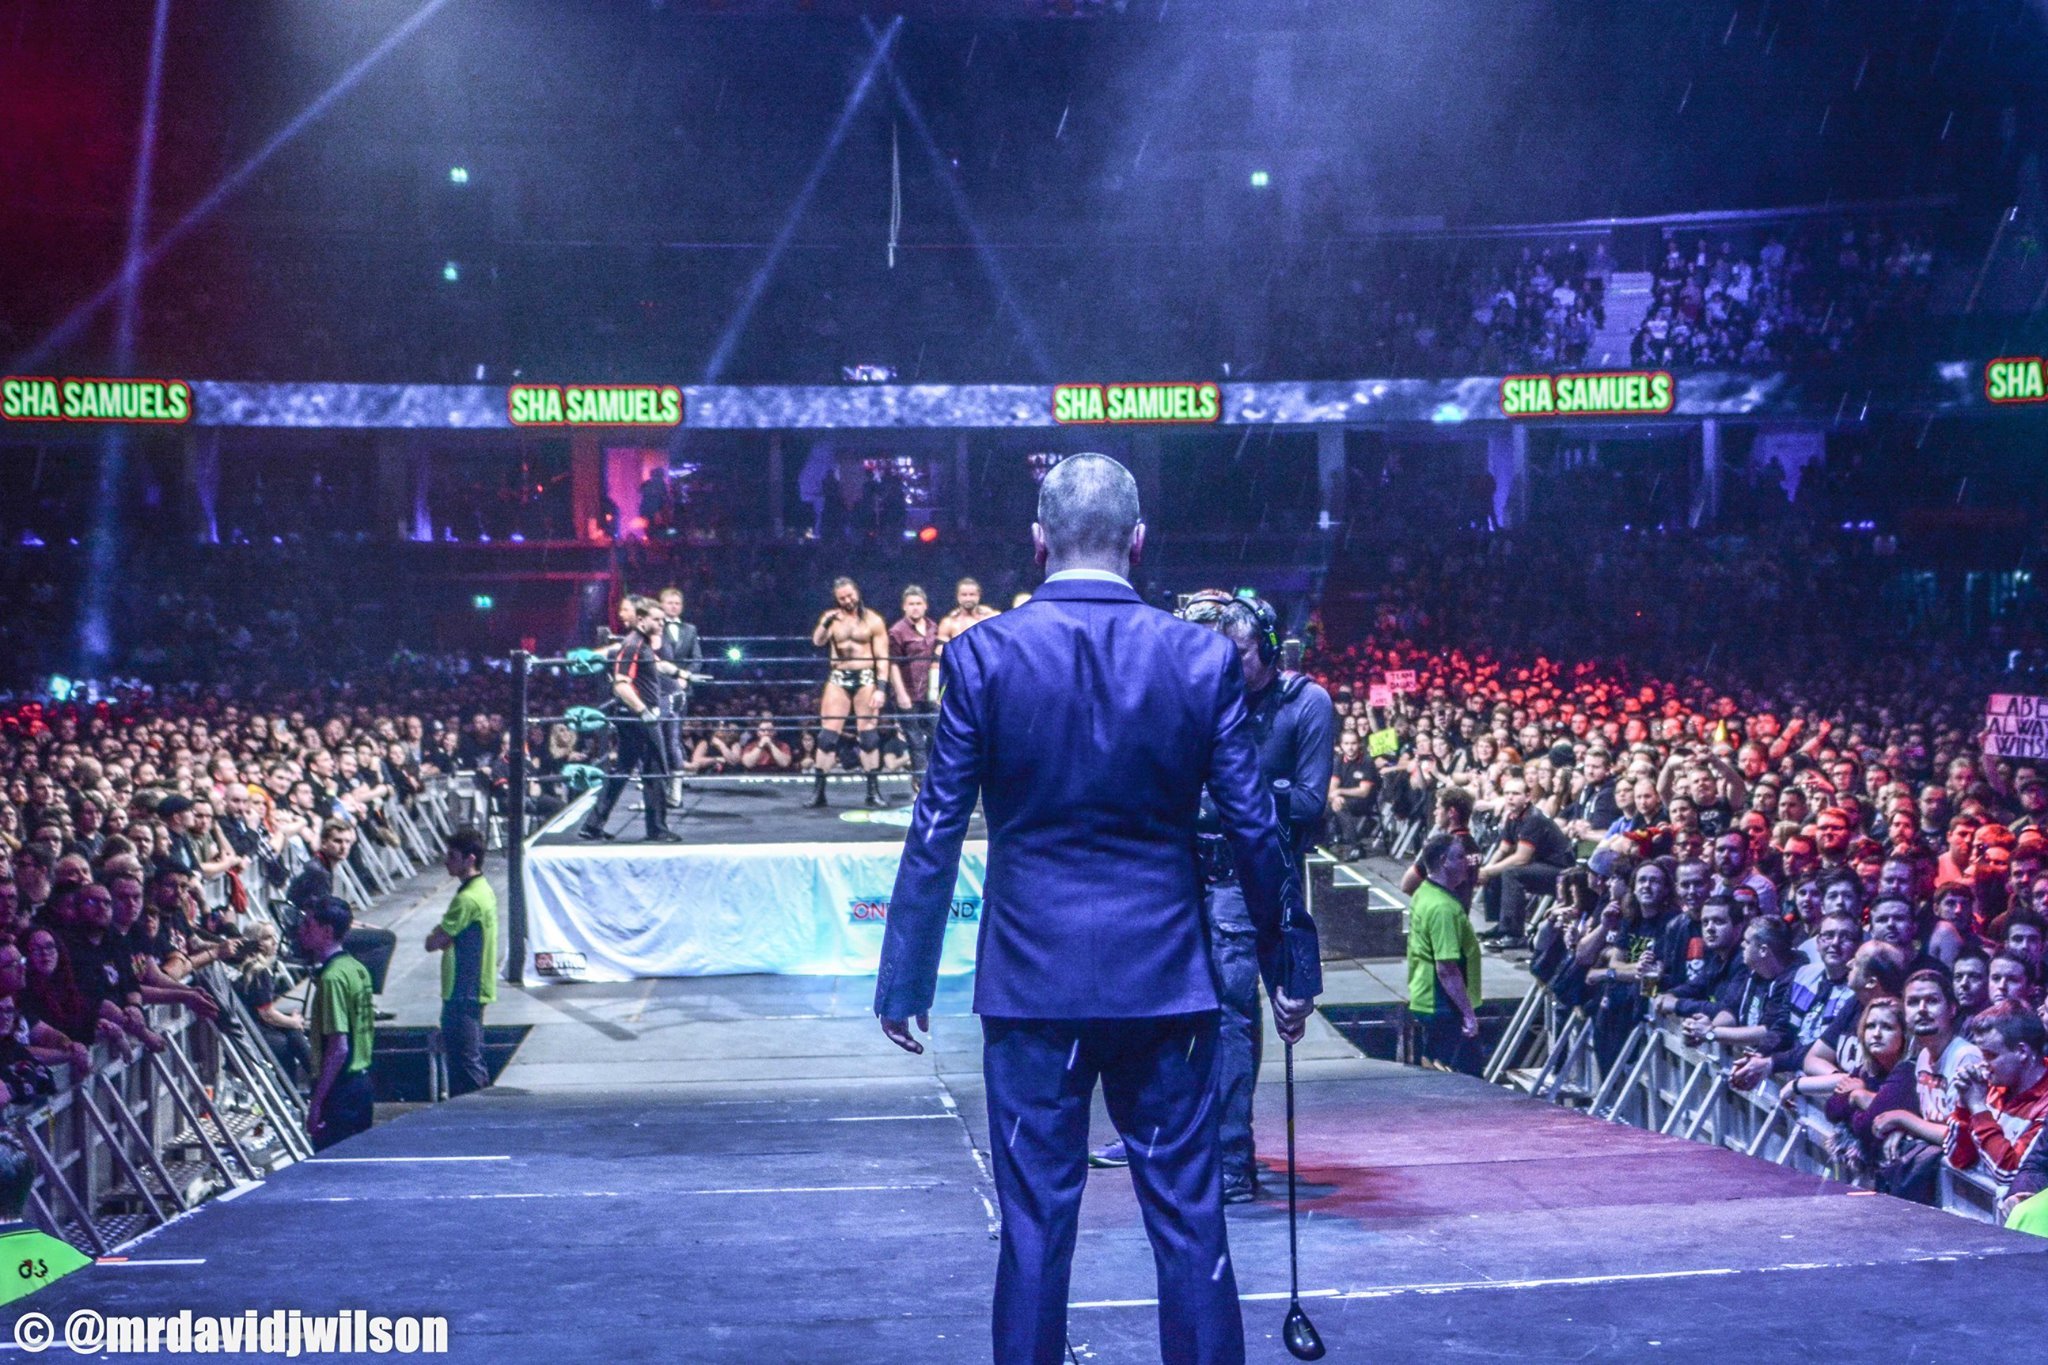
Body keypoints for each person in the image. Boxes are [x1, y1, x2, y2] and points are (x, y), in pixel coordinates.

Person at [873, 453, 1319, 1365]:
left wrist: (904, 976)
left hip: (1031, 988)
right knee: (1191, 1226)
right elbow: (1254, 827)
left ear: (1037, 543)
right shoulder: (1199, 656)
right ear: (1139, 541)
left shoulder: (982, 654)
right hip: (1165, 985)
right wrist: (1287, 964)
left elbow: (936, 831)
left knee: (1035, 1226)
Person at [1095, 588, 1333, 1203]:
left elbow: (1308, 804)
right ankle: (1164, 1131)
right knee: (1165, 1006)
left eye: (1243, 654)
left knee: (1232, 1013)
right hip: (1185, 869)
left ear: (1271, 651)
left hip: (1246, 874)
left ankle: (1231, 1155)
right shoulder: (1210, 698)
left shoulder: (1305, 705)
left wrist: (1237, 793)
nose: (1231, 663)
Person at [579, 598, 677, 843]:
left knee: (623, 769)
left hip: (634, 717)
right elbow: (621, 685)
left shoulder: (640, 644)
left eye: (663, 619)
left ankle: (593, 824)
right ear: (642, 620)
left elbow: (659, 666)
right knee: (654, 768)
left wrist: (684, 674)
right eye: (657, 619)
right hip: (638, 719)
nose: (662, 623)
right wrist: (644, 711)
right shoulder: (633, 645)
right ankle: (657, 829)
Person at [425, 825, 497, 1097]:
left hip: (462, 988)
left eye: (452, 856)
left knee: (465, 1061)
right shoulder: (484, 889)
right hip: (475, 985)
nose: (446, 861)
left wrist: (439, 936)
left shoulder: (467, 900)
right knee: (472, 1055)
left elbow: (433, 942)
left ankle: (473, 1114)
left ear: (470, 859)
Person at [301, 896, 377, 1151]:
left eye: (308, 925)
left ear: (327, 931)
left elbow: (339, 1047)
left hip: (340, 1090)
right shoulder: (357, 968)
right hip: (362, 1085)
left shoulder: (332, 979)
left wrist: (317, 1103)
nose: (302, 931)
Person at [807, 578, 889, 809]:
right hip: (838, 678)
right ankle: (819, 792)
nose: (848, 601)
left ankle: (873, 792)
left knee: (869, 737)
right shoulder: (832, 619)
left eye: (850, 596)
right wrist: (825, 623)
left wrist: (881, 689)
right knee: (827, 737)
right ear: (837, 599)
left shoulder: (873, 620)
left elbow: (882, 657)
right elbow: (817, 641)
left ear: (857, 592)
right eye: (842, 598)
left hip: (865, 679)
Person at [1407, 832, 1483, 1073]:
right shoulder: (1443, 909)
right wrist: (1468, 1014)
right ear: (1443, 861)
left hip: (1429, 998)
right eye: (1460, 857)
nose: (1466, 863)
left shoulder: (1425, 891)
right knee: (1460, 1079)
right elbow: (1447, 969)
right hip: (1444, 1006)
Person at [1477, 774, 1575, 949]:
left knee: (1511, 871)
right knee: (1498, 869)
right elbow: (1503, 849)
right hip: (1540, 866)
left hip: (1560, 871)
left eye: (1515, 793)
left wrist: (1488, 872)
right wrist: (1487, 869)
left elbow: (1521, 858)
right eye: (1507, 793)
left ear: (1527, 797)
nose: (1510, 797)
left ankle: (1514, 934)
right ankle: (1502, 924)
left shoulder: (1533, 818)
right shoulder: (1513, 817)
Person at [887, 584, 939, 796]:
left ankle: (933, 781)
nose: (915, 608)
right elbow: (892, 664)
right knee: (915, 741)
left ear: (925, 606)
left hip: (930, 693)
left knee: (937, 736)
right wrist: (900, 694)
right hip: (907, 694)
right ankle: (921, 784)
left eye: (918, 604)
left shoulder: (934, 627)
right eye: (911, 604)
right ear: (904, 607)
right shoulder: (897, 631)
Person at [655, 586, 704, 802]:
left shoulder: (690, 629)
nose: (674, 606)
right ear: (662, 605)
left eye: (677, 603)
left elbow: (697, 659)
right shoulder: (655, 627)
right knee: (657, 736)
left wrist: (685, 677)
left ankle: (675, 786)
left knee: (673, 737)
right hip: (658, 688)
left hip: (681, 689)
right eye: (670, 602)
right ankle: (657, 782)